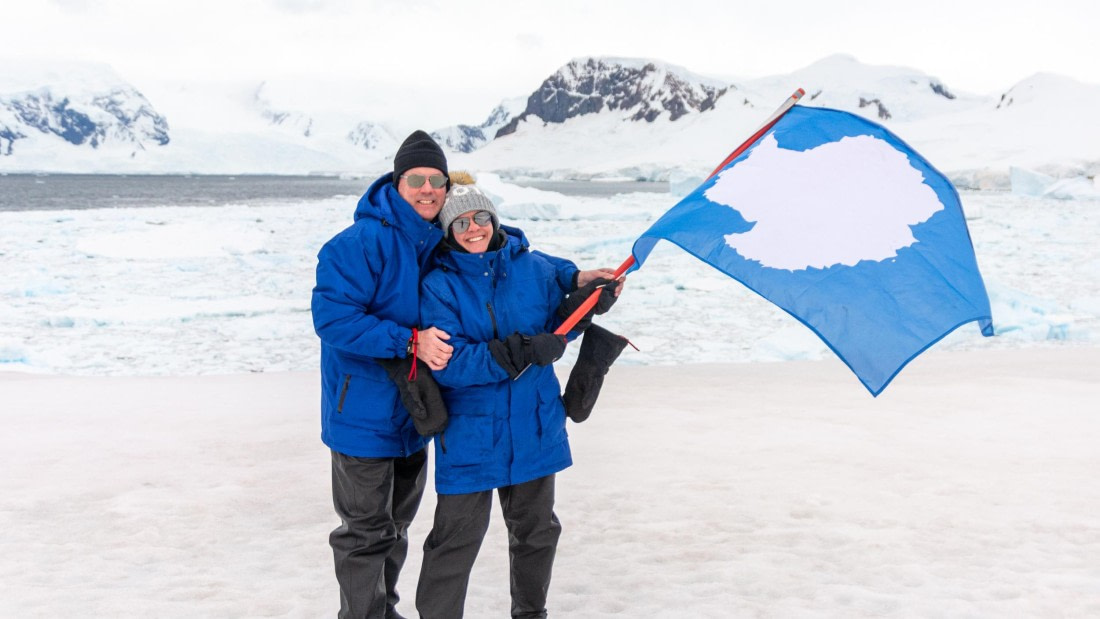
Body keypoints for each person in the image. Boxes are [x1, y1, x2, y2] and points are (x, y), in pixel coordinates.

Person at [312, 131, 616, 618]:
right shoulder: (359, 244)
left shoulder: (434, 236)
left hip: (416, 414)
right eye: (417, 179)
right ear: (398, 181)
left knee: (396, 527)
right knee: (367, 532)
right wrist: (411, 341)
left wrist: (576, 278)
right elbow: (332, 320)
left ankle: (382, 610)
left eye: (437, 179)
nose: (428, 189)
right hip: (366, 410)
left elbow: (509, 261)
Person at [414, 181, 622, 619]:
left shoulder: (533, 268)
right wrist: (521, 351)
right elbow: (450, 364)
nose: (474, 229)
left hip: (535, 423)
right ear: (449, 230)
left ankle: (531, 614)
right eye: (462, 222)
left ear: (494, 219)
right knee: (453, 542)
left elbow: (562, 312)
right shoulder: (438, 285)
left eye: (481, 218)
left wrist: (592, 296)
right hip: (471, 431)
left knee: (536, 533)